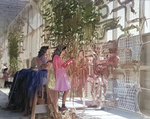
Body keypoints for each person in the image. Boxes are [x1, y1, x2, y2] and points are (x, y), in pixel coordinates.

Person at [52, 45, 73, 110]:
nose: (64, 52)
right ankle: (60, 105)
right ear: (60, 50)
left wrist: (69, 62)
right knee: (64, 89)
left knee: (63, 89)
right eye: (63, 50)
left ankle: (61, 105)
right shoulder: (56, 57)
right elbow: (63, 65)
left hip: (61, 73)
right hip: (60, 74)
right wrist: (70, 60)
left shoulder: (57, 57)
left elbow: (64, 66)